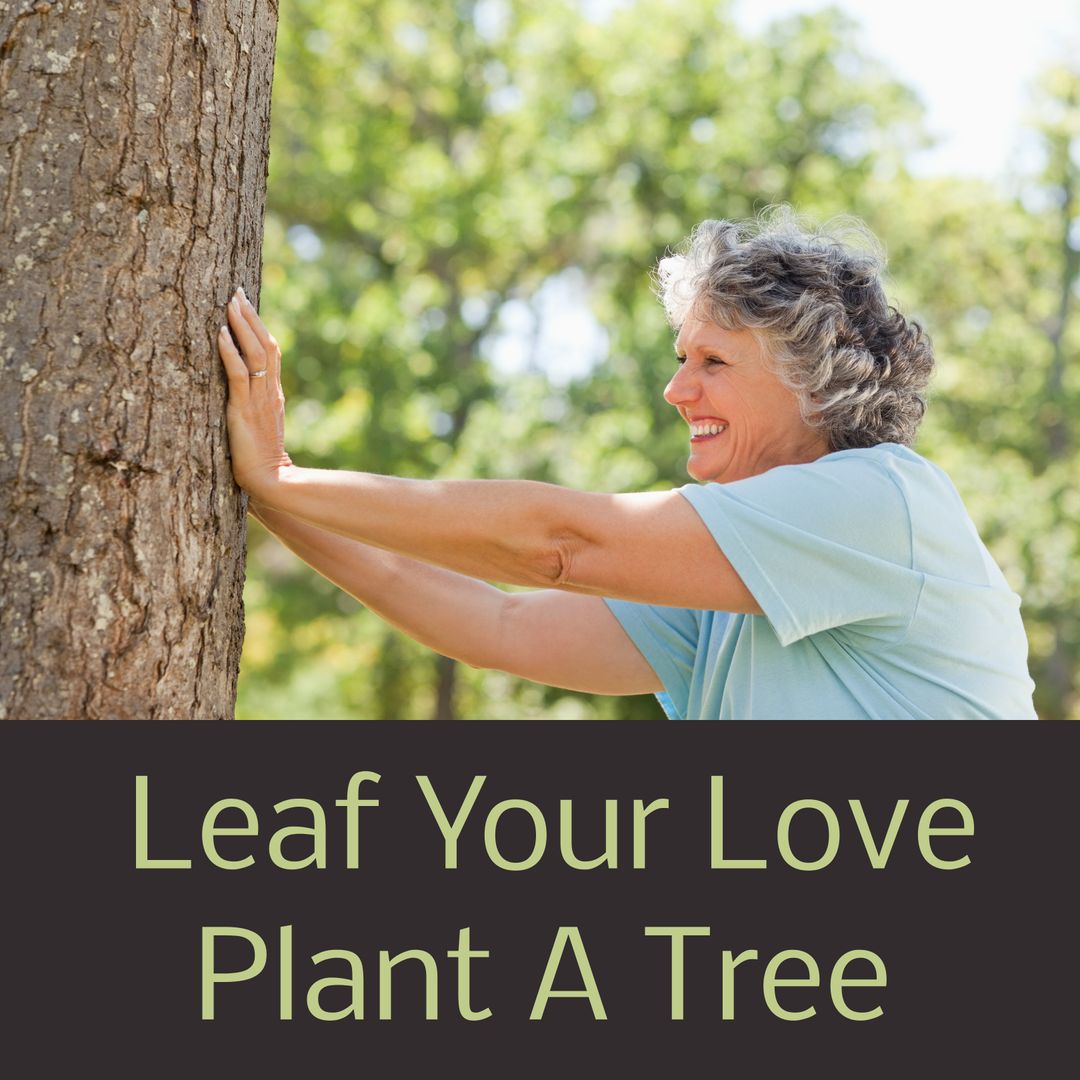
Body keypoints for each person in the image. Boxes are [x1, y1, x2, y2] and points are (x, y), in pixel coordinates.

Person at [217, 208, 1037, 719]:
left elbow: (560, 546)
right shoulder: (737, 585)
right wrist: (272, 489)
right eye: (683, 359)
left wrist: (286, 480)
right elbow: (496, 626)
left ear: (811, 378)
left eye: (713, 362)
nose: (677, 389)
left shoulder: (877, 502)